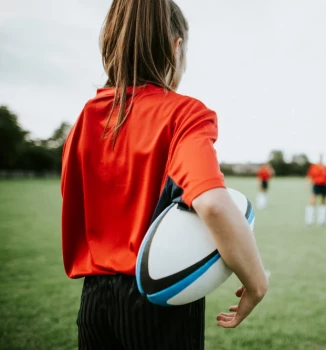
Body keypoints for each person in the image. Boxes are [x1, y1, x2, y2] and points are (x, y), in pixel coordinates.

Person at [60, 1, 268, 349]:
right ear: (177, 46)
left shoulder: (87, 117)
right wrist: (257, 282)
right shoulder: (184, 114)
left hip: (94, 302)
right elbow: (213, 203)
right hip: (158, 300)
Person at [305, 154, 326, 226]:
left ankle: (321, 220)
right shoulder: (314, 166)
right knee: (312, 201)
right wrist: (308, 183)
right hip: (316, 185)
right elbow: (310, 175)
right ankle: (309, 220)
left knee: (323, 201)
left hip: (324, 185)